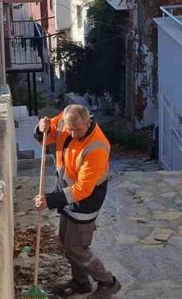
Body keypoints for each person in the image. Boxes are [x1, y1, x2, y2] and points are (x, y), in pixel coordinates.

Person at [33, 104, 121, 298]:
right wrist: (42, 128)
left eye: (77, 130)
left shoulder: (97, 146)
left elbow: (83, 189)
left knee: (77, 248)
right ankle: (80, 283)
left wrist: (49, 200)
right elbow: (49, 135)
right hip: (66, 194)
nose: (72, 134)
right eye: (69, 130)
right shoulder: (66, 120)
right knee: (66, 241)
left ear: (88, 121)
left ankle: (108, 282)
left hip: (85, 201)